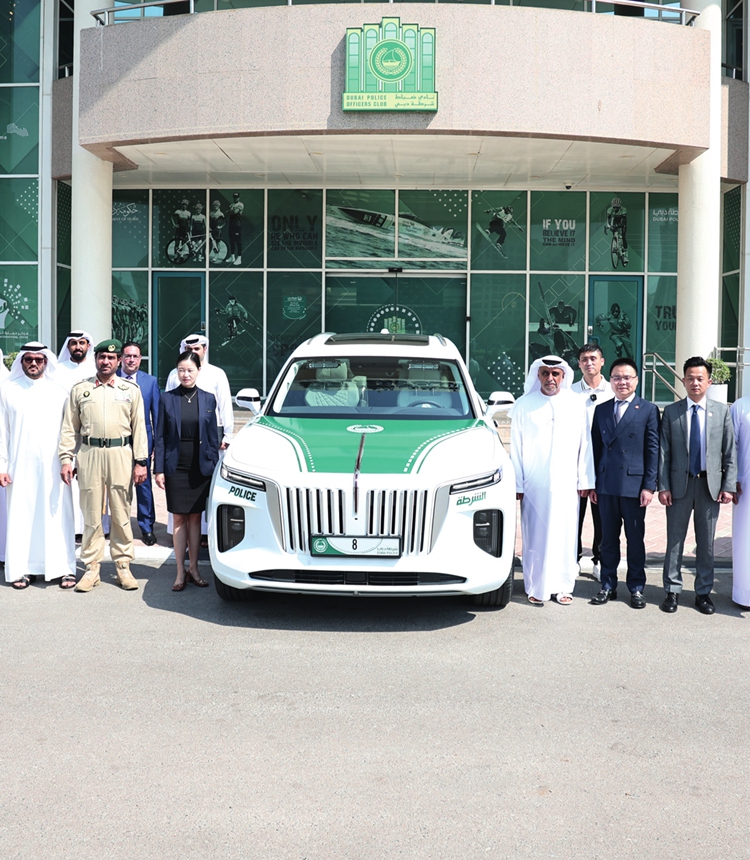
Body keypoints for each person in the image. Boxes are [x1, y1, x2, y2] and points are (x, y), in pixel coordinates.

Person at [59, 339, 149, 593]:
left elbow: (139, 428)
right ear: (95, 360)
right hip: (89, 454)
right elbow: (69, 427)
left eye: (111, 358)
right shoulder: (81, 390)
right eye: (101, 357)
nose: (106, 362)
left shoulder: (130, 390)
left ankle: (123, 566)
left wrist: (141, 461)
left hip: (121, 453)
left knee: (121, 512)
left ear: (119, 361)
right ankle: (92, 568)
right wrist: (66, 458)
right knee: (91, 513)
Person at [510, 355, 595, 605]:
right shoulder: (523, 405)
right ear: (538, 375)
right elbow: (515, 447)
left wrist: (585, 480)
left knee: (566, 535)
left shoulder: (576, 403)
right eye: (545, 373)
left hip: (567, 484)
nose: (550, 378)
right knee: (535, 535)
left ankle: (563, 587)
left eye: (555, 374)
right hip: (534, 486)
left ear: (563, 376)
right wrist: (517, 483)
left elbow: (585, 446)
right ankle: (536, 586)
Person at [658, 356, 737, 614]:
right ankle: (672, 590)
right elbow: (664, 452)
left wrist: (728, 485)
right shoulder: (671, 412)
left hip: (709, 486)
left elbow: (729, 452)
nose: (694, 383)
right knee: (674, 541)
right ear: (683, 380)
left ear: (709, 382)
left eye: (700, 378)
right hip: (679, 486)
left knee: (706, 543)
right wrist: (664, 486)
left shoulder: (722, 411)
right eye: (690, 378)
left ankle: (703, 593)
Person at [0, 343, 76, 589]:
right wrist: (2, 466)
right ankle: (23, 570)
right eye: (29, 359)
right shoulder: (7, 390)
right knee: (23, 517)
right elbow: (2, 433)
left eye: (39, 359)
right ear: (21, 362)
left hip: (56, 467)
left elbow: (70, 430)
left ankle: (64, 568)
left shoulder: (60, 391)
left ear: (47, 362)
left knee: (57, 515)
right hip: (19, 466)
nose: (34, 363)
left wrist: (69, 460)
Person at [589, 357, 660, 609]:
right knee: (607, 539)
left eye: (627, 377)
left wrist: (649, 486)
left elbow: (653, 450)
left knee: (634, 539)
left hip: (634, 486)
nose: (622, 382)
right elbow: (595, 450)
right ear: (610, 380)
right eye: (617, 377)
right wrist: (593, 484)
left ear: (636, 380)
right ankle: (608, 585)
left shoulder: (648, 410)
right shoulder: (602, 409)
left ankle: (637, 587)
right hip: (607, 485)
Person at [154, 351, 220, 591]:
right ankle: (180, 572)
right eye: (181, 370)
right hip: (176, 466)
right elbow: (160, 437)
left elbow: (214, 437)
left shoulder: (209, 399)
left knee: (196, 518)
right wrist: (158, 469)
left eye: (190, 370)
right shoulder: (167, 398)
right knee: (179, 517)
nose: (185, 374)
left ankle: (194, 568)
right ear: (176, 372)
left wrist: (214, 468)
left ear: (198, 371)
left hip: (200, 467)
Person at [571, 343, 614, 580]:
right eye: (584, 359)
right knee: (573, 514)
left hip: (604, 463)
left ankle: (599, 559)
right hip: (575, 462)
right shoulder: (569, 392)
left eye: (593, 359)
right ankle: (572, 558)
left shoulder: (613, 391)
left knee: (603, 516)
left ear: (602, 362)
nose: (589, 363)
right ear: (578, 364)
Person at [117, 341, 161, 546]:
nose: (131, 360)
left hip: (143, 441)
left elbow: (157, 416)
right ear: (121, 358)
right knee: (117, 486)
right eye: (128, 356)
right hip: (117, 442)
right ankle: (118, 526)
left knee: (143, 486)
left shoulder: (150, 382)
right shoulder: (112, 378)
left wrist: (156, 447)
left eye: (135, 356)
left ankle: (146, 527)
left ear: (140, 359)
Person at [165, 334, 232, 449]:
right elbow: (168, 406)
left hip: (209, 430)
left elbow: (225, 405)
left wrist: (227, 434)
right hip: (181, 431)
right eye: (189, 349)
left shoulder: (217, 374)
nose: (193, 352)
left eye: (197, 349)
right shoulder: (174, 374)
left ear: (205, 349)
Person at [731, 395, 750, 609]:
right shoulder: (741, 406)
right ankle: (745, 594)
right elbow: (731, 446)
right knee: (746, 539)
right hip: (747, 486)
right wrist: (732, 479)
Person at [605, 197, 629, 265]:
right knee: (614, 230)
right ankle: (616, 241)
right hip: (615, 219)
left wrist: (619, 226)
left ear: (620, 206)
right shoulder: (610, 210)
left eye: (617, 207)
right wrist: (610, 226)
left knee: (623, 236)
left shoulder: (624, 210)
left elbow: (623, 222)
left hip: (622, 220)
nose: (615, 209)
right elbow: (609, 220)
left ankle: (625, 253)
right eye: (614, 207)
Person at [227, 192, 244, 266]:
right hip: (231, 225)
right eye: (234, 197)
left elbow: (235, 212)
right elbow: (227, 213)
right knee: (231, 241)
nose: (235, 198)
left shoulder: (240, 204)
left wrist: (231, 210)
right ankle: (232, 256)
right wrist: (231, 210)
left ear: (239, 198)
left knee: (238, 241)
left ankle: (239, 258)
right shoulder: (232, 205)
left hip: (237, 225)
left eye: (237, 197)